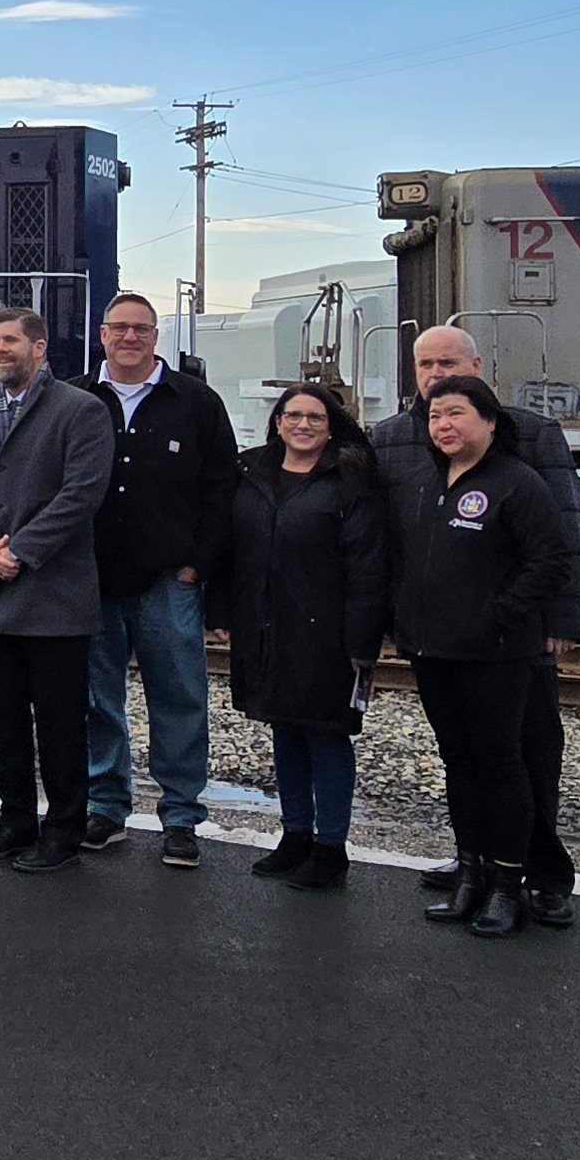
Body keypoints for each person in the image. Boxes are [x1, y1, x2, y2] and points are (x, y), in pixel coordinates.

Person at [368, 324, 580, 926]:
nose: (436, 375)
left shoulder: (531, 433)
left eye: (448, 364)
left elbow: (564, 531)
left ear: (477, 367)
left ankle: (542, 874)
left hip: (512, 637)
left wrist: (561, 619)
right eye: (426, 365)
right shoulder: (390, 439)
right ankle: (480, 863)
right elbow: (386, 538)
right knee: (466, 758)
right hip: (435, 636)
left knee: (527, 752)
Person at [78, 290, 233, 869]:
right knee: (98, 700)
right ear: (102, 334)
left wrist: (198, 564)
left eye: (140, 329)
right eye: (119, 327)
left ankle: (182, 817)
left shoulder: (196, 402)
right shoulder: (75, 397)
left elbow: (221, 488)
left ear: (155, 336)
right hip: (92, 580)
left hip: (170, 580)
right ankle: (105, 805)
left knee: (180, 699)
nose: (129, 337)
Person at [219, 379, 391, 892]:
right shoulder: (250, 472)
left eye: (315, 417)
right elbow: (230, 549)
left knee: (326, 735)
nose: (303, 425)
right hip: (264, 624)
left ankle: (330, 848)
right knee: (285, 730)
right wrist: (223, 610)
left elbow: (368, 566)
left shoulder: (351, 481)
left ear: (332, 427)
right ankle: (294, 834)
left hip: (328, 632)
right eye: (293, 415)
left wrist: (364, 642)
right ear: (277, 422)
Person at [0, 303, 116, 874]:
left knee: (59, 724)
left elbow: (82, 494)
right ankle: (16, 819)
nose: (0, 350)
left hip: (55, 597)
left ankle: (64, 829)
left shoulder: (81, 410)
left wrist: (20, 552)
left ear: (40, 347)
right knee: (2, 720)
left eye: (11, 341)